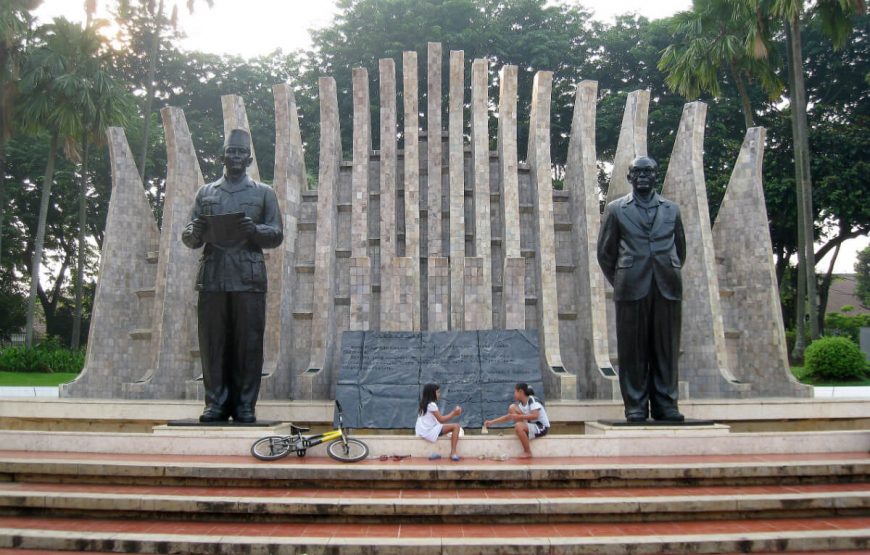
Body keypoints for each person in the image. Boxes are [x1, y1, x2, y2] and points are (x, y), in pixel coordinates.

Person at [182, 129, 283, 424]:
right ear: (223, 157)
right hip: (213, 277)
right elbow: (189, 236)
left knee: (248, 344)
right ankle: (215, 404)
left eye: (241, 153)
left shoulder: (264, 192)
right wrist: (195, 232)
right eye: (231, 152)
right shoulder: (206, 193)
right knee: (212, 343)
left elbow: (276, 234)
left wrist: (255, 230)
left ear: (249, 159)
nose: (236, 157)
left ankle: (244, 405)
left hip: (249, 278)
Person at [597, 156, 686, 423]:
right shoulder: (616, 209)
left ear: (655, 175)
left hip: (667, 285)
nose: (643, 176)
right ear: (629, 177)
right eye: (638, 172)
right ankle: (635, 406)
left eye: (648, 171)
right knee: (632, 350)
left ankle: (666, 405)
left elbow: (680, 249)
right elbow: (605, 253)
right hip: (630, 286)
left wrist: (666, 270)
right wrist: (624, 278)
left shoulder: (672, 210)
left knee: (666, 348)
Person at [484, 383, 550, 459]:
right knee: (512, 407)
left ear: (521, 392)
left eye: (515, 392)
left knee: (518, 426)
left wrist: (519, 417)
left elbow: (535, 415)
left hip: (541, 427)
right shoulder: (521, 404)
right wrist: (491, 422)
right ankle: (522, 432)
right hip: (531, 426)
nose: (514, 394)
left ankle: (528, 452)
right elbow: (509, 417)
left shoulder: (533, 400)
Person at [415, 383, 463, 461]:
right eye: (438, 392)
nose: (439, 394)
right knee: (456, 427)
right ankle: (453, 453)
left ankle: (453, 453)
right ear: (432, 393)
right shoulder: (431, 405)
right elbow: (441, 419)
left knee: (449, 427)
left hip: (423, 431)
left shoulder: (424, 403)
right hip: (429, 432)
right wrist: (454, 413)